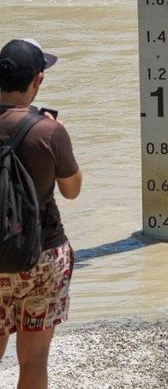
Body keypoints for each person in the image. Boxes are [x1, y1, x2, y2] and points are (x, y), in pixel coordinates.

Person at [0, 39, 82, 389]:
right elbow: (71, 190)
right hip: (41, 256)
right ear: (38, 80)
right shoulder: (49, 131)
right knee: (33, 360)